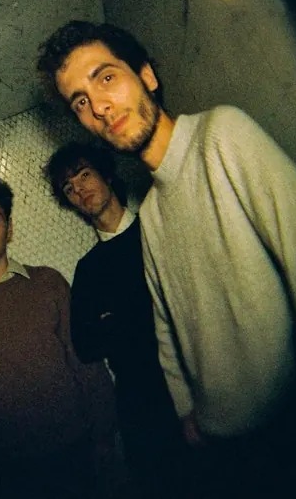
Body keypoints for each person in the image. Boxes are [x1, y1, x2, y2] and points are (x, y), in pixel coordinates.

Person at [37, 21, 296, 496]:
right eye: (81, 102)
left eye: (106, 77)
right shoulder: (153, 214)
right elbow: (168, 329)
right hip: (220, 449)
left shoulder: (222, 135)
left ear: (147, 75)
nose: (100, 107)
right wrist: (185, 415)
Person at [0, 175, 119, 499]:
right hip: (8, 471)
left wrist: (104, 440)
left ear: (9, 228)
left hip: (77, 453)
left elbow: (87, 364)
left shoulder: (48, 282)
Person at [44, 142, 188, 498]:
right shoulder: (88, 270)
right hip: (140, 403)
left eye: (84, 175)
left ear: (107, 174)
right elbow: (85, 345)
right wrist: (139, 315)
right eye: (68, 188)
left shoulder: (159, 229)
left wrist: (116, 320)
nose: (79, 189)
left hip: (192, 379)